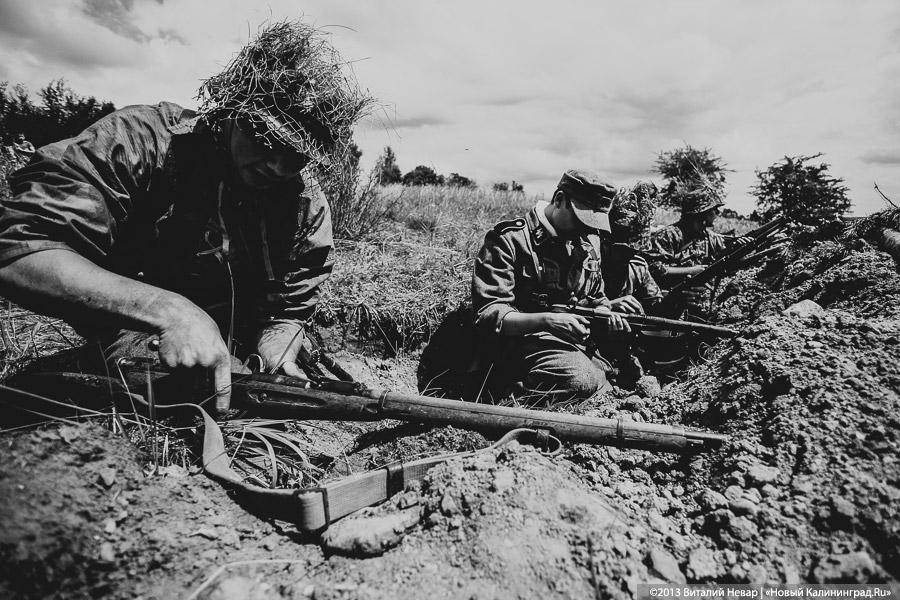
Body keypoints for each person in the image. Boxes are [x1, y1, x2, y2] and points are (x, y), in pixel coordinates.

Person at [0, 21, 371, 410]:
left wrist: (279, 346)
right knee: (173, 385)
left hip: (238, 343)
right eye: (265, 138)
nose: (276, 167)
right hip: (142, 330)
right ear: (232, 106)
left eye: (295, 157)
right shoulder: (140, 143)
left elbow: (291, 309)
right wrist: (170, 312)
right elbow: (17, 250)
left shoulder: (305, 206)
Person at [471, 169, 631, 404]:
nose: (587, 230)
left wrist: (607, 313)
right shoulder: (510, 240)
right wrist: (547, 320)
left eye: (593, 223)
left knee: (609, 382)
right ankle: (503, 404)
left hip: (568, 345)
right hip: (516, 345)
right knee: (580, 379)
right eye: (581, 218)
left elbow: (596, 297)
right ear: (559, 200)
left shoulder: (588, 243)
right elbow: (489, 314)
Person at [648, 186, 750, 317]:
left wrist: (739, 249)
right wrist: (692, 271)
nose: (717, 213)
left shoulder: (709, 237)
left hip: (697, 305)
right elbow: (654, 270)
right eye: (714, 209)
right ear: (702, 212)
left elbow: (730, 266)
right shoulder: (668, 235)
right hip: (667, 302)